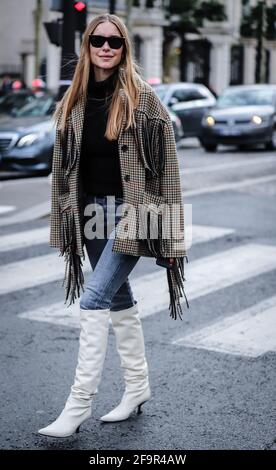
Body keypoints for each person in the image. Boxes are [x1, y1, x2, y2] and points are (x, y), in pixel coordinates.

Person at [38, 13, 188, 438]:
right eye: (98, 40)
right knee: (119, 300)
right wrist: (66, 214)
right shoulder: (75, 100)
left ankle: (79, 404)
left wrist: (170, 233)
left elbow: (170, 171)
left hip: (132, 214)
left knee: (94, 299)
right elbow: (65, 169)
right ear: (86, 46)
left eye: (115, 42)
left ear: (124, 50)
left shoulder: (143, 99)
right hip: (91, 214)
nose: (106, 47)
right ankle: (138, 388)